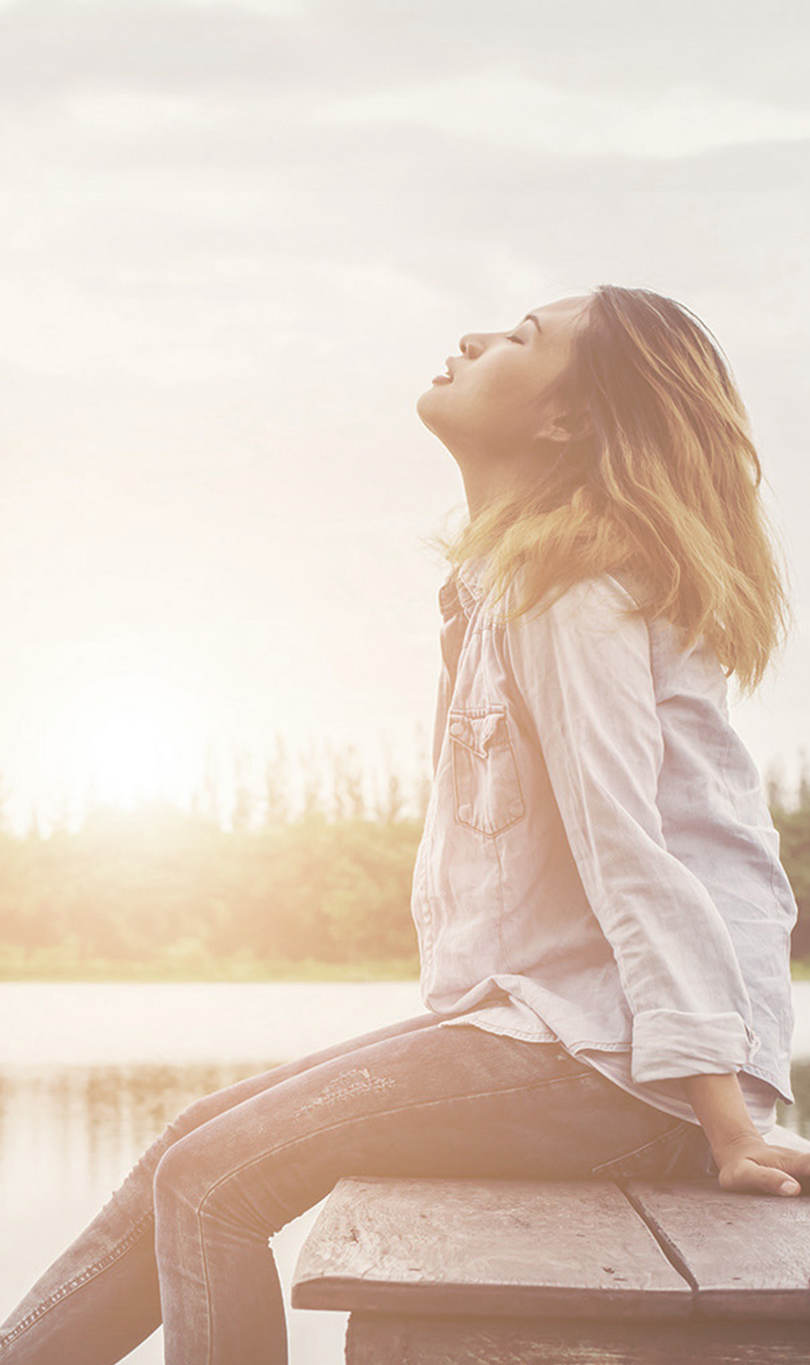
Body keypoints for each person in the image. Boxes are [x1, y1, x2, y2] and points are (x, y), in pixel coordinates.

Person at [2, 283, 807, 1365]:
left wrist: (726, 1121)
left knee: (212, 1183)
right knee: (186, 1148)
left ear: (568, 419)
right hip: (563, 1033)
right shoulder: (505, 585)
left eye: (522, 337)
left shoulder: (575, 587)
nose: (475, 337)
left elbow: (636, 854)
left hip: (629, 1067)